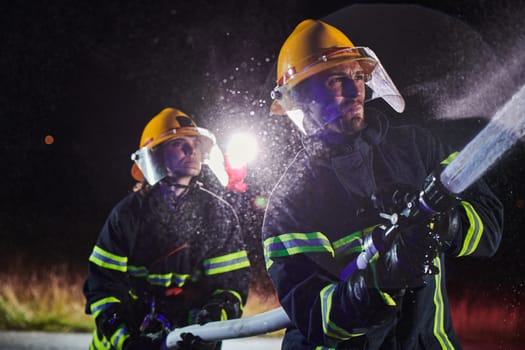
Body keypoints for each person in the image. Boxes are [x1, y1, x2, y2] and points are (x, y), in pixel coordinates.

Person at [262, 19, 503, 349]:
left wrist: (447, 225)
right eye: (337, 80)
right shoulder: (291, 202)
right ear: (303, 99)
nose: (354, 90)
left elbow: (489, 225)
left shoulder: (419, 148)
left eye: (358, 76)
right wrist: (378, 282)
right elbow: (318, 319)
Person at [83, 107, 251, 350]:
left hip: (190, 341)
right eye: (178, 143)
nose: (191, 150)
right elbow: (103, 289)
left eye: (195, 143)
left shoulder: (218, 214)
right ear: (156, 155)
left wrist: (212, 319)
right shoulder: (127, 215)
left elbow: (230, 286)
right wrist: (127, 340)